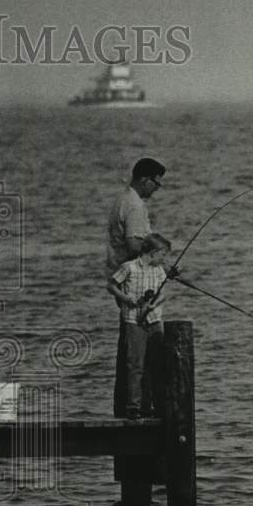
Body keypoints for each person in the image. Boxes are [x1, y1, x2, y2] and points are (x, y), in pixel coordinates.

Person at [106, 157, 166, 416]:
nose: (157, 188)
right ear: (145, 179)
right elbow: (133, 244)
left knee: (131, 349)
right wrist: (157, 256)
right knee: (142, 350)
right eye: (156, 183)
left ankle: (130, 404)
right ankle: (141, 406)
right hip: (135, 283)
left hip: (125, 278)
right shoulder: (134, 205)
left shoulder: (123, 199)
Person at [107, 233, 172, 420]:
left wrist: (154, 304)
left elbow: (163, 293)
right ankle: (133, 407)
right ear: (152, 253)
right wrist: (127, 299)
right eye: (163, 255)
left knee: (156, 364)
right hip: (133, 321)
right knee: (135, 365)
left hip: (154, 320)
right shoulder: (129, 267)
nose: (164, 259)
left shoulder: (158, 270)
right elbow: (111, 285)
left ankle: (154, 406)